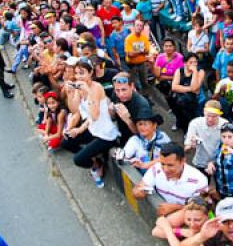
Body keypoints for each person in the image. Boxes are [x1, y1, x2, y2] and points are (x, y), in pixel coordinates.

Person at [70, 58, 121, 187]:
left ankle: (97, 164)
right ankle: (94, 155)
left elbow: (95, 115)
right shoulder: (80, 87)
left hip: (106, 134)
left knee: (78, 159)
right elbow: (75, 109)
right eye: (76, 73)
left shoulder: (96, 87)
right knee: (67, 142)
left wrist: (88, 92)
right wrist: (74, 91)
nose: (78, 76)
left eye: (82, 73)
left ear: (90, 72)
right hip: (92, 128)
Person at [122, 109, 170, 174]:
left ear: (154, 125)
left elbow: (170, 156)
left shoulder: (162, 137)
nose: (142, 127)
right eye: (140, 124)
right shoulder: (135, 140)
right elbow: (124, 156)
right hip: (143, 177)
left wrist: (147, 165)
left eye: (145, 124)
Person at [185, 100, 228, 172]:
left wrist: (214, 162)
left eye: (214, 116)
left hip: (220, 161)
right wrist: (191, 146)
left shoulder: (225, 125)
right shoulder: (195, 123)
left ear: (219, 115)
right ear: (204, 112)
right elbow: (186, 149)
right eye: (208, 115)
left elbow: (228, 147)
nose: (210, 119)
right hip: (201, 162)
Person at [111, 72, 151, 141]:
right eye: (117, 90)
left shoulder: (142, 105)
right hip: (122, 135)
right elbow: (114, 118)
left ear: (132, 86)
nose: (120, 94)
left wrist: (127, 119)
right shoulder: (115, 95)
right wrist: (111, 112)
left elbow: (143, 134)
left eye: (124, 90)